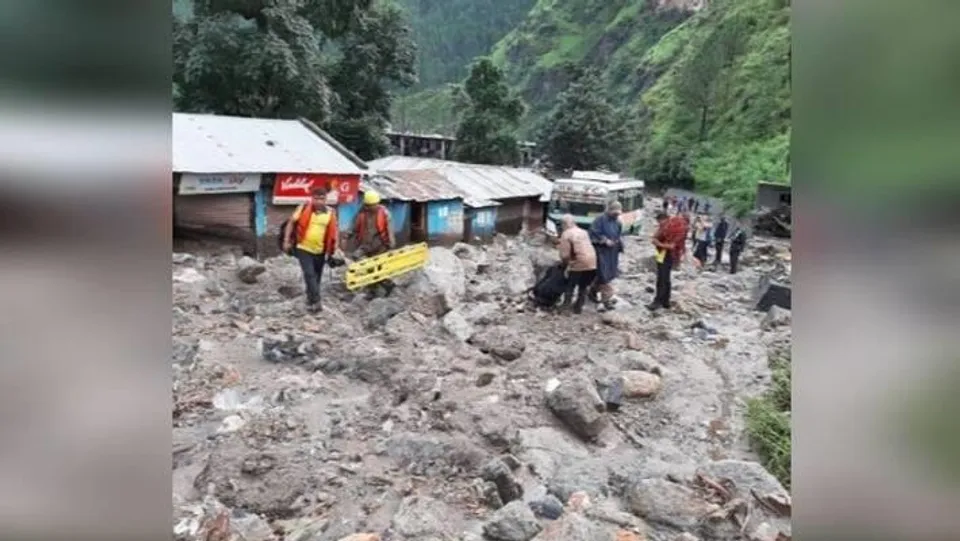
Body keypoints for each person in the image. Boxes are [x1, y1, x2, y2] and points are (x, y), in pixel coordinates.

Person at [282, 187, 339, 312]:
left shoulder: (330, 213)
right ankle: (317, 301)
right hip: (303, 247)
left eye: (322, 199)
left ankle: (310, 297)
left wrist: (334, 249)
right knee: (309, 274)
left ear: (326, 200)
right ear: (312, 198)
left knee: (317, 276)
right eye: (316, 199)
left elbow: (334, 232)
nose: (319, 201)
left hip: (320, 250)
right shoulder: (303, 209)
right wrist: (286, 241)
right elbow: (291, 223)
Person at [352, 190, 396, 298]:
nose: (370, 208)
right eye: (368, 206)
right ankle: (378, 287)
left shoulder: (384, 213)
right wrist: (348, 235)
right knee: (360, 260)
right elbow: (355, 226)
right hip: (365, 244)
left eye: (372, 205)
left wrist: (391, 245)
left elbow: (389, 230)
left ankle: (383, 286)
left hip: (380, 245)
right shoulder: (362, 213)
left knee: (376, 267)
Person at [647, 211, 688, 311]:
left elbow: (671, 246)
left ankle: (657, 302)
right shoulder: (669, 227)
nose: (659, 224)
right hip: (666, 255)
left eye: (659, 222)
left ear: (663, 219)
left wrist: (658, 243)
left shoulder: (671, 228)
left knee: (662, 278)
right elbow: (656, 236)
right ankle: (666, 301)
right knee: (666, 278)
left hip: (667, 254)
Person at [557, 214, 597, 314]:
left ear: (564, 224)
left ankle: (565, 308)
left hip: (579, 262)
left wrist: (564, 265)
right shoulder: (584, 232)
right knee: (583, 286)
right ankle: (578, 307)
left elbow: (565, 255)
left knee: (570, 285)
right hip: (593, 263)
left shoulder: (566, 234)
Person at [588, 201, 624, 312]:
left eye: (618, 214)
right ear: (609, 210)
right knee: (602, 274)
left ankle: (592, 292)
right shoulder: (600, 220)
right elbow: (593, 233)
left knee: (609, 274)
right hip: (600, 251)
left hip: (612, 253)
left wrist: (619, 245)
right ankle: (605, 300)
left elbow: (618, 235)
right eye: (614, 213)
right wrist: (604, 240)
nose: (616, 216)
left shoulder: (618, 222)